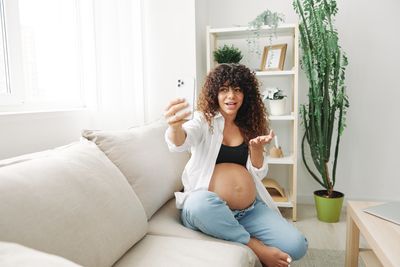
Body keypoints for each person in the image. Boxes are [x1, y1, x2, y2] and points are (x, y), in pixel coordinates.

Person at [164, 63, 307, 267]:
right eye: (224, 89)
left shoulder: (251, 124)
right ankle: (254, 245)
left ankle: (230, 230)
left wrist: (257, 152)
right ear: (215, 93)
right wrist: (175, 127)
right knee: (198, 205)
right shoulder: (203, 120)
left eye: (237, 90)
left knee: (296, 246)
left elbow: (259, 172)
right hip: (208, 209)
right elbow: (180, 141)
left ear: (245, 94)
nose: (231, 96)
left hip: (248, 211)